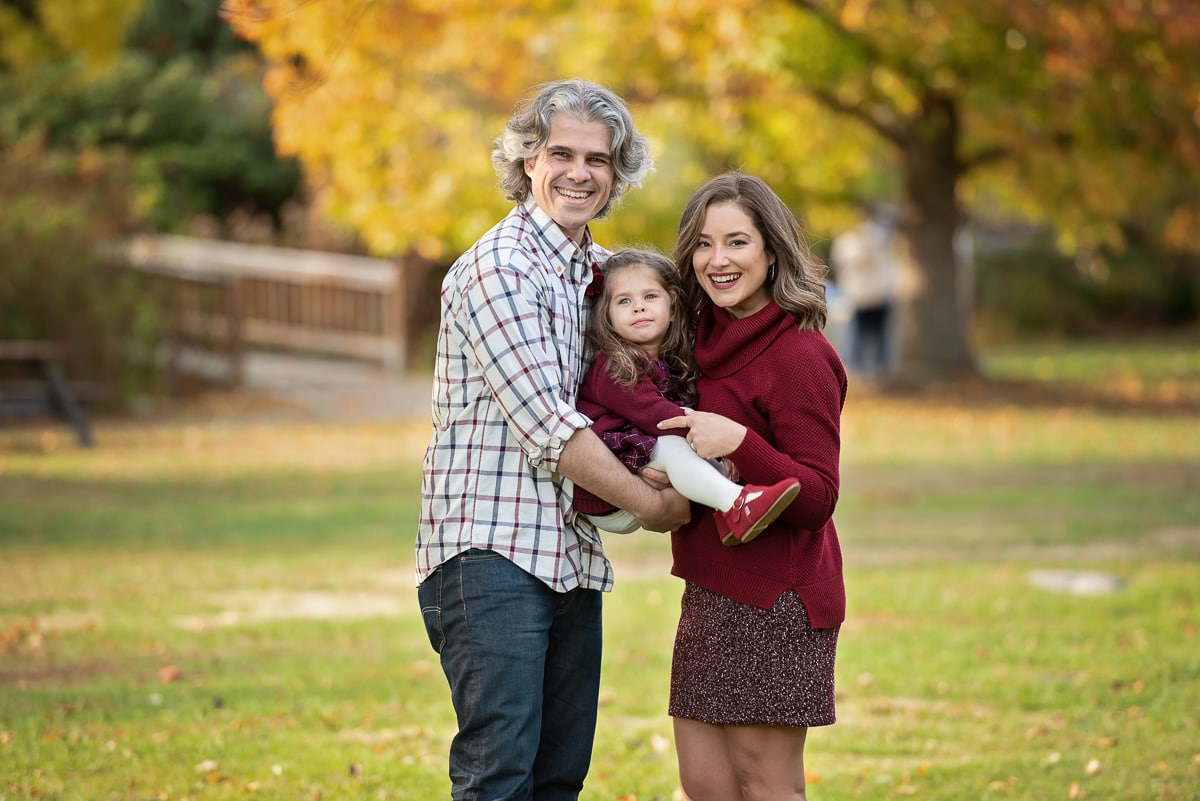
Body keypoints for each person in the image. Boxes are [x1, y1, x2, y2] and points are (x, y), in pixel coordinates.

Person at [415, 79, 691, 801]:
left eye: (598, 159)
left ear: (616, 173)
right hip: (491, 555)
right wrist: (652, 504)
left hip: (569, 554)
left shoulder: (601, 278)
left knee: (558, 778)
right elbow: (548, 424)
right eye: (561, 153)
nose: (579, 172)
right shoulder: (501, 268)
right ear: (528, 160)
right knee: (500, 776)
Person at [656, 172, 848, 801]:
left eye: (737, 242)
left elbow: (818, 496)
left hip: (778, 597)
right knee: (705, 786)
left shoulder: (798, 355)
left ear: (771, 250)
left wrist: (738, 441)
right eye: (704, 245)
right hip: (712, 587)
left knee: (766, 788)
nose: (718, 260)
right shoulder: (694, 341)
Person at [574, 247, 799, 544]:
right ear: (608, 316)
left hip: (643, 468)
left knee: (675, 445)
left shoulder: (671, 363)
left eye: (650, 297)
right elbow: (656, 416)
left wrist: (717, 458)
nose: (639, 307)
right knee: (670, 441)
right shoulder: (614, 367)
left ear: (672, 307)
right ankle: (737, 504)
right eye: (624, 301)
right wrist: (715, 447)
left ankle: (729, 512)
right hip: (608, 493)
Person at [830, 202, 898, 376]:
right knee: (856, 335)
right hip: (857, 296)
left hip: (879, 293)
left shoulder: (880, 235)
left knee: (880, 335)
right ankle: (856, 368)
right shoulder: (847, 240)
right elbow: (850, 259)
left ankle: (881, 368)